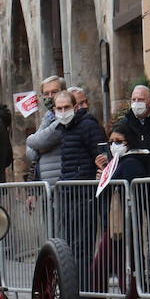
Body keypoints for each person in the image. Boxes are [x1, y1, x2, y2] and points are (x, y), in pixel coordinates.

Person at [79, 121, 147, 299]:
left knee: (108, 270)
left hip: (124, 225)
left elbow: (127, 182)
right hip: (115, 224)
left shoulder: (133, 161)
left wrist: (107, 174)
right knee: (116, 272)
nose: (114, 145)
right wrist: (104, 170)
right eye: (111, 142)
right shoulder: (116, 162)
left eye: (119, 142)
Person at [46, 89, 107, 285]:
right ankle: (74, 291)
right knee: (68, 246)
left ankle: (84, 292)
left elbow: (102, 155)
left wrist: (99, 171)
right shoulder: (64, 128)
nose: (63, 112)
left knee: (82, 246)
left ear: (75, 107)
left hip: (84, 194)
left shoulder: (88, 125)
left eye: (66, 107)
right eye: (59, 108)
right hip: (68, 193)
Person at [26, 75, 67, 184]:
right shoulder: (48, 117)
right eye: (46, 93)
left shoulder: (65, 117)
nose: (50, 97)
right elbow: (30, 153)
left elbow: (38, 141)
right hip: (48, 181)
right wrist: (38, 147)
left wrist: (34, 142)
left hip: (62, 180)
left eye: (54, 92)